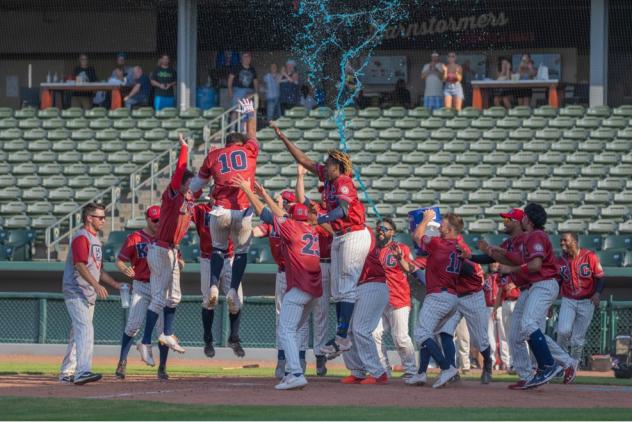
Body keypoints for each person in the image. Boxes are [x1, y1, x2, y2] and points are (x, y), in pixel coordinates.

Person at [271, 122, 371, 361]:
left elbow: (345, 210)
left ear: (337, 166)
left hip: (353, 234)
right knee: (339, 292)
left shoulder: (342, 180)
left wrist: (322, 218)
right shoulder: (329, 180)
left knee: (345, 289)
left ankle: (341, 337)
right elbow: (304, 161)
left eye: (328, 163)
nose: (324, 166)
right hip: (342, 236)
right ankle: (342, 336)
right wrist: (283, 138)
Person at [233, 174, 322, 391]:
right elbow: (280, 214)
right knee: (292, 330)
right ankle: (295, 369)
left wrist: (247, 190)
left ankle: (295, 373)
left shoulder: (291, 227)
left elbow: (265, 214)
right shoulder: (312, 229)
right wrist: (263, 194)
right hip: (314, 290)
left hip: (300, 287)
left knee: (284, 329)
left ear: (292, 215)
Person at [478, 204, 576, 389]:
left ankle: (549, 365)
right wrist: (489, 252)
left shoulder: (536, 235)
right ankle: (526, 375)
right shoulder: (525, 238)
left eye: (512, 218)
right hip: (530, 288)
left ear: (526, 220)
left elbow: (535, 265)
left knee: (529, 325)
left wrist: (510, 267)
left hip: (543, 283)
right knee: (516, 333)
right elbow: (513, 259)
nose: (506, 222)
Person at [188, 99, 258, 342]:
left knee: (218, 249)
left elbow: (196, 186)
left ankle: (215, 285)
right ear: (239, 144)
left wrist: (188, 196)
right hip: (243, 209)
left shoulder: (214, 155)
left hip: (219, 211)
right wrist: (249, 112)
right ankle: (232, 290)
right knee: (240, 252)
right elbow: (252, 134)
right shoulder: (249, 150)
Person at [137, 134, 192, 368]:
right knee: (159, 298)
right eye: (189, 185)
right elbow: (180, 171)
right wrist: (185, 149)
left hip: (171, 251)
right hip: (160, 250)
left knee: (175, 297)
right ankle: (145, 341)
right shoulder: (173, 195)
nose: (191, 188)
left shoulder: (190, 198)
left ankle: (167, 333)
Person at [60, 203, 123, 385]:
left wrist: (115, 284)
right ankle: (83, 372)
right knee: (85, 329)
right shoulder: (82, 237)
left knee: (77, 333)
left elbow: (99, 270)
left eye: (104, 217)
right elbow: (79, 265)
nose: (103, 220)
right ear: (89, 218)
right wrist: (96, 285)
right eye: (100, 217)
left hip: (87, 293)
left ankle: (67, 373)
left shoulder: (95, 240)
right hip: (76, 290)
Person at [408, 210, 467, 388]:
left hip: (438, 296)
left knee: (421, 333)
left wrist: (426, 220)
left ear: (450, 230)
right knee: (429, 334)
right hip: (452, 297)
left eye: (443, 226)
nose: (440, 227)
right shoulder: (459, 247)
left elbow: (417, 236)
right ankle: (421, 373)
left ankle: (447, 367)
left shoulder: (438, 244)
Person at [252, 189, 307, 378]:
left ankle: (299, 357)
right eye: (284, 201)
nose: (285, 203)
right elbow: (258, 230)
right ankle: (283, 358)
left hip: (298, 274)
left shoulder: (293, 223)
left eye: (286, 201)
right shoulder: (275, 223)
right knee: (281, 317)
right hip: (283, 273)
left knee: (299, 320)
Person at [114, 206, 170, 380]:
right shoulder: (135, 238)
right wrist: (125, 269)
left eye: (160, 219)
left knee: (163, 331)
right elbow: (120, 260)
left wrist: (178, 264)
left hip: (161, 286)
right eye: (155, 220)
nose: (158, 223)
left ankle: (162, 367)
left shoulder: (167, 237)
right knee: (132, 325)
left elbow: (179, 260)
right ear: (147, 219)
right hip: (141, 285)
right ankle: (122, 362)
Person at [192, 198, 244, 359]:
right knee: (209, 300)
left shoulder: (231, 209)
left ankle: (233, 338)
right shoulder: (201, 209)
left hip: (229, 257)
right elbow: (184, 208)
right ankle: (208, 340)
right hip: (208, 258)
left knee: (237, 300)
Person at [295, 164, 333, 377]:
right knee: (302, 311)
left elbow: (336, 231)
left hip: (327, 264)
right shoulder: (316, 210)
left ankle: (319, 356)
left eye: (325, 192)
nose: (324, 196)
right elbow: (301, 199)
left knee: (321, 312)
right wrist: (300, 176)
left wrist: (321, 220)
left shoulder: (335, 214)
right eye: (322, 193)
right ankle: (300, 356)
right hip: (310, 264)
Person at [438, 243, 494, 385]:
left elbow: (465, 269)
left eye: (455, 252)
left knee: (479, 340)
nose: (451, 254)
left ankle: (487, 363)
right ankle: (451, 370)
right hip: (456, 298)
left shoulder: (470, 263)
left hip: (473, 297)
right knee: (445, 332)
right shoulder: (450, 260)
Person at [340, 228, 390, 385]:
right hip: (358, 287)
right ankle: (357, 371)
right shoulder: (345, 240)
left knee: (361, 329)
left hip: (372, 284)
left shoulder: (363, 237)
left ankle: (378, 373)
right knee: (344, 330)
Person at [372, 219, 417, 379]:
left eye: (385, 228)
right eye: (378, 228)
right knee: (374, 334)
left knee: (401, 338)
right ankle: (384, 369)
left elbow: (411, 269)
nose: (381, 231)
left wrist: (400, 258)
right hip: (378, 300)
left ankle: (411, 371)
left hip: (398, 298)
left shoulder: (401, 248)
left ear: (393, 232)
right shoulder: (373, 251)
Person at [556, 232, 605, 363]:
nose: (562, 243)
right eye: (561, 240)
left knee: (578, 338)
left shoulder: (590, 256)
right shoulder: (560, 261)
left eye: (565, 240)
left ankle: (573, 365)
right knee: (563, 331)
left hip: (587, 301)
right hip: (568, 300)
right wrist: (549, 301)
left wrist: (597, 293)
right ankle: (562, 363)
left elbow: (600, 278)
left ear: (575, 242)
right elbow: (557, 283)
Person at [484, 263, 501, 369]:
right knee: (489, 335)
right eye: (492, 262)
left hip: (501, 307)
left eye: (496, 262)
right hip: (488, 307)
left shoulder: (503, 276)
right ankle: (492, 360)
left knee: (504, 336)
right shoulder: (485, 277)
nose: (494, 264)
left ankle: (507, 362)